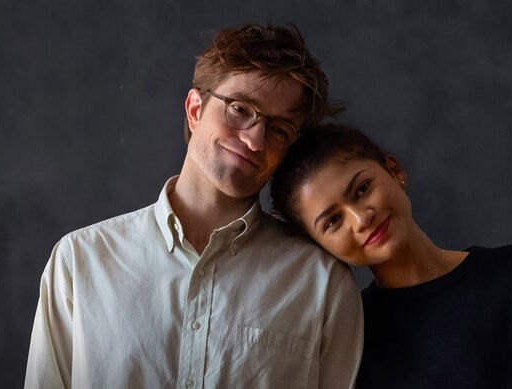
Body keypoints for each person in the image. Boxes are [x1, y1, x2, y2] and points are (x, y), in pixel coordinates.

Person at [25, 25, 364, 388]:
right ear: (195, 109)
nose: (253, 139)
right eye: (239, 109)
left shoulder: (322, 283)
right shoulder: (80, 261)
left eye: (279, 129)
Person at [270, 124, 512, 388]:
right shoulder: (351, 336)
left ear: (393, 170)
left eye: (362, 189)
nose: (361, 218)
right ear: (320, 244)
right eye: (333, 221)